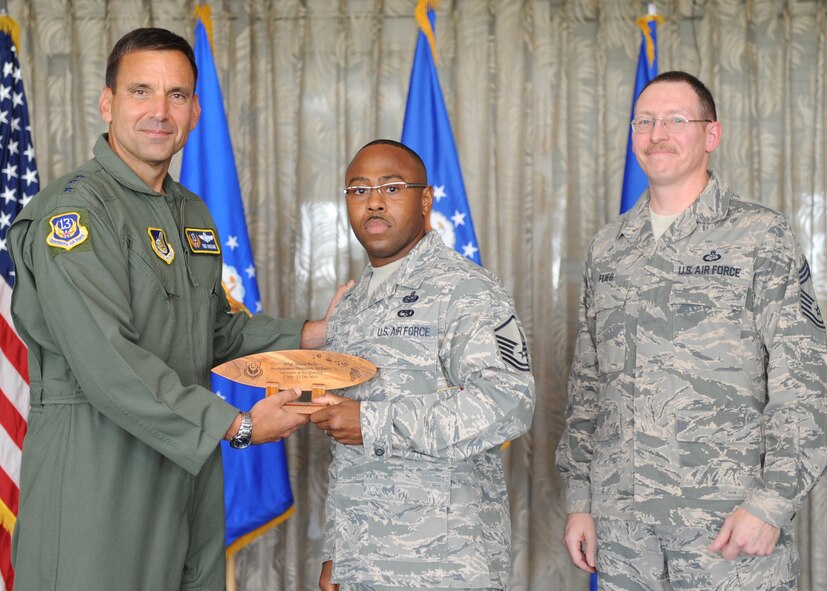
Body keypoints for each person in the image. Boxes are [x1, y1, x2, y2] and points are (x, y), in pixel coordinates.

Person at [7, 28, 343, 591]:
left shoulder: (189, 212)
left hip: (184, 467)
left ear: (195, 112)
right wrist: (237, 427)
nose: (159, 112)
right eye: (141, 91)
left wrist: (316, 333)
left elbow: (212, 333)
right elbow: (110, 365)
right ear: (107, 103)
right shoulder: (75, 217)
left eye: (177, 96)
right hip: (98, 468)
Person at [556, 70, 827, 590]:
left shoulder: (759, 235)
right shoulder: (608, 247)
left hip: (727, 521)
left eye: (676, 120)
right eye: (645, 121)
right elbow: (588, 386)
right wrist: (580, 502)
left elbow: (805, 380)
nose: (658, 134)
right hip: (623, 526)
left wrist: (771, 504)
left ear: (711, 135)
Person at [308, 139, 535, 591]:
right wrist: (339, 551)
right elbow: (346, 448)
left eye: (392, 187)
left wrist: (374, 422)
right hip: (364, 563)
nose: (373, 202)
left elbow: (511, 403)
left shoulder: (466, 290)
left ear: (425, 199)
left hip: (444, 566)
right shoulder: (352, 304)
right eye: (358, 190)